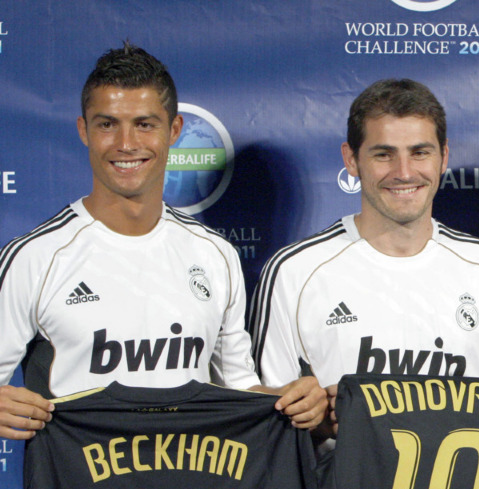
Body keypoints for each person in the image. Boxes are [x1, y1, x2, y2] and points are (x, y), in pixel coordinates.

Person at [0, 42, 326, 441]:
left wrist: (290, 400)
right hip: (79, 480)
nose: (126, 143)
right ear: (84, 130)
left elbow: (237, 388)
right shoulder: (34, 258)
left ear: (174, 130)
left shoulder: (215, 254)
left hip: (195, 476)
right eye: (107, 124)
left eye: (144, 124)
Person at [249, 78, 479, 417]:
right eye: (383, 155)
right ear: (351, 159)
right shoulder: (295, 271)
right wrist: (315, 422)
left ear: (443, 157)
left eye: (419, 153)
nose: (404, 173)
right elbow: (265, 416)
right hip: (335, 456)